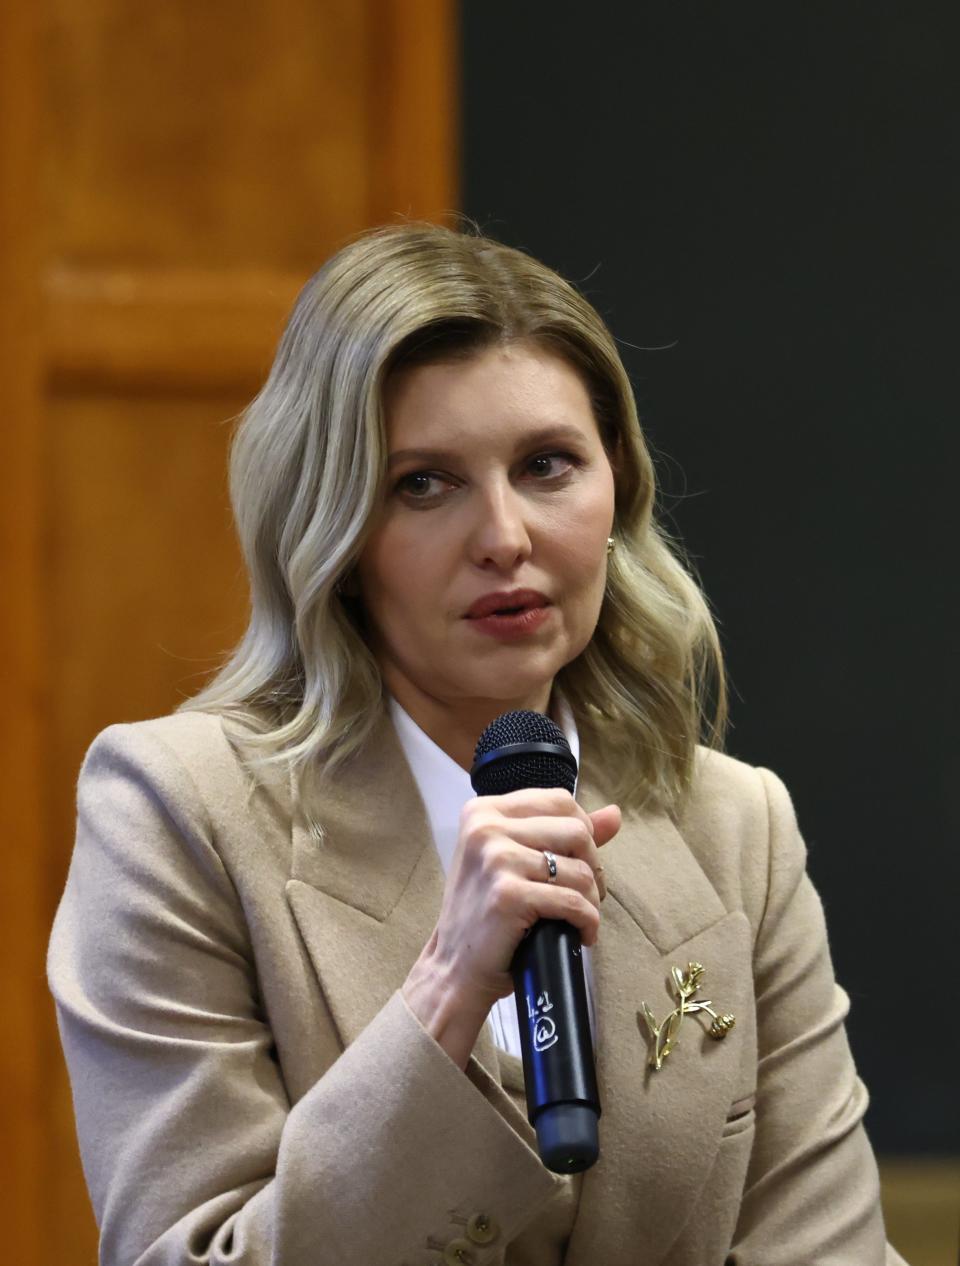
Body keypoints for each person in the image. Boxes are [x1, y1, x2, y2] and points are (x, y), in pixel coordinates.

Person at [47, 221, 906, 1266]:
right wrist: (446, 991)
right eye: (424, 483)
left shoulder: (736, 828)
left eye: (548, 466)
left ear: (619, 491)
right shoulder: (176, 811)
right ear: (336, 533)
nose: (505, 535)